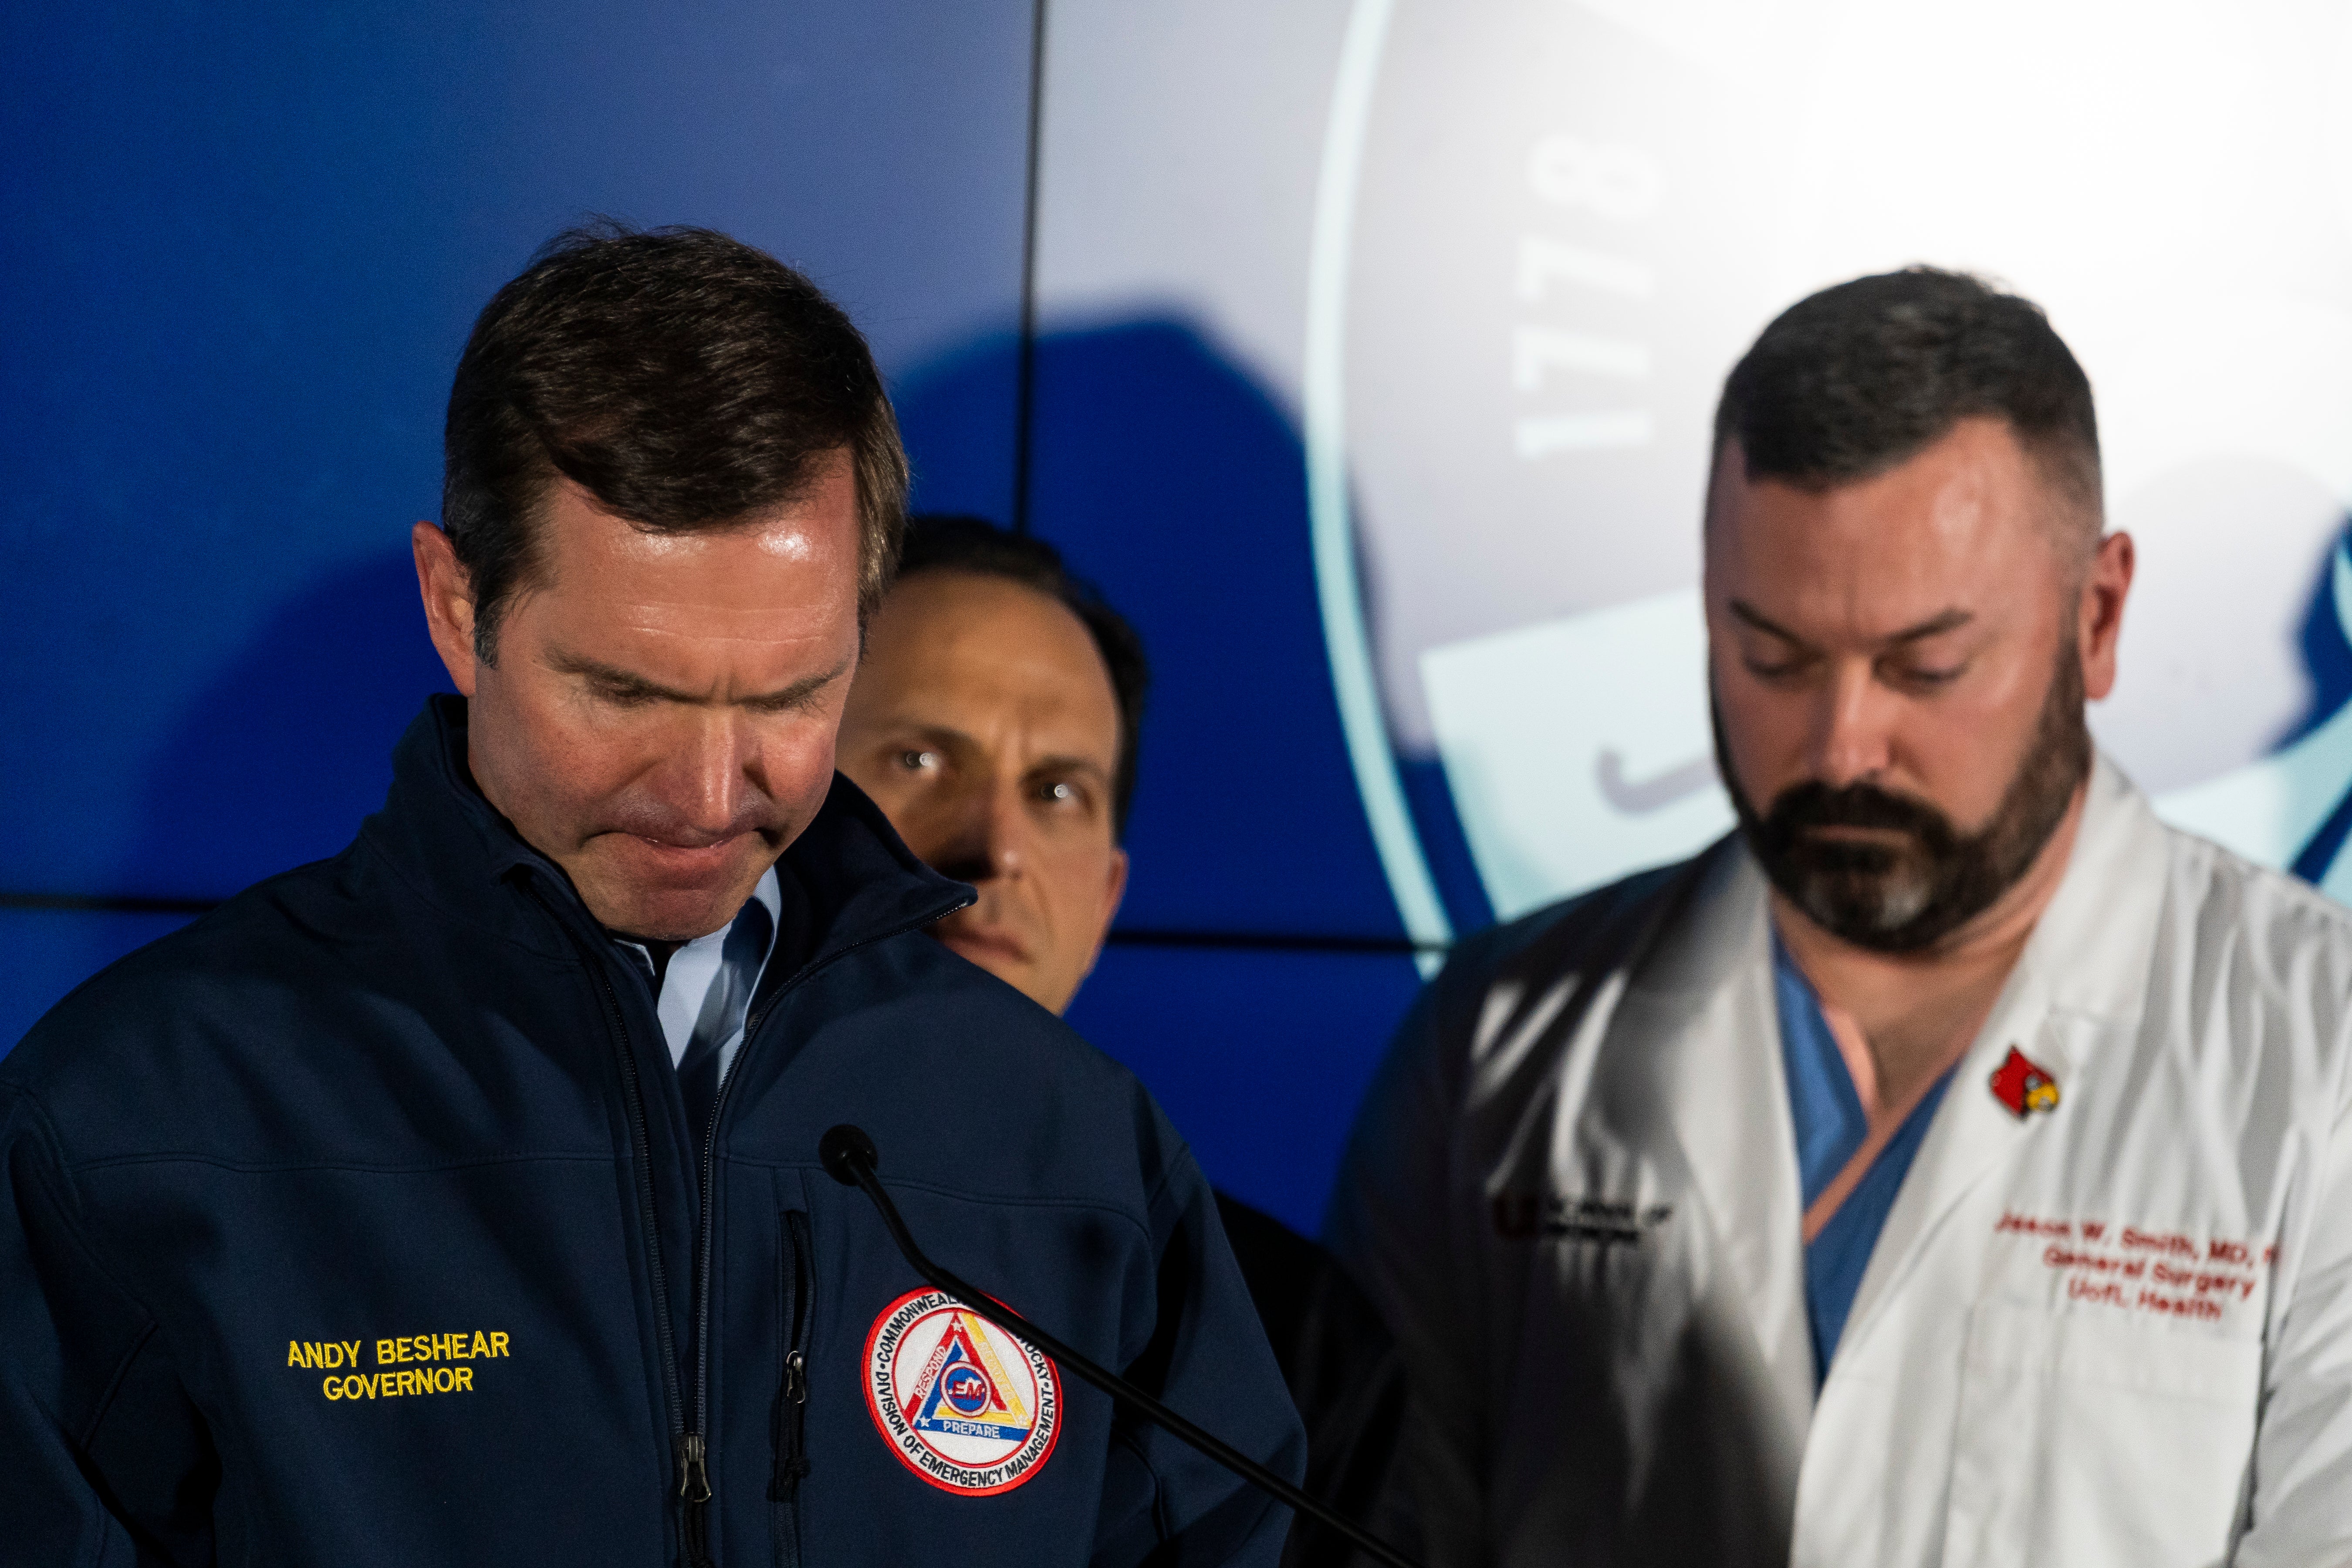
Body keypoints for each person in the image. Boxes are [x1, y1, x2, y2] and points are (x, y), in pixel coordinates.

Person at [0, 226, 1301, 1567]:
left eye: (791, 697)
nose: (705, 789)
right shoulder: (137, 1114)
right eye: (624, 693)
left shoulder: (1068, 1140)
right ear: (459, 608)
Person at [1326, 267, 2352, 1566]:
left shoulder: (2323, 1059)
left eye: (1926, 667)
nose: (1843, 743)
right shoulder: (1493, 1046)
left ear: (2096, 620)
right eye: (1774, 657)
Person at [837, 516, 1406, 1568]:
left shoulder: (1288, 1337)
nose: (994, 848)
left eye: (1058, 794)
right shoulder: (621, 1225)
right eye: (919, 758)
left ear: (1105, 900)